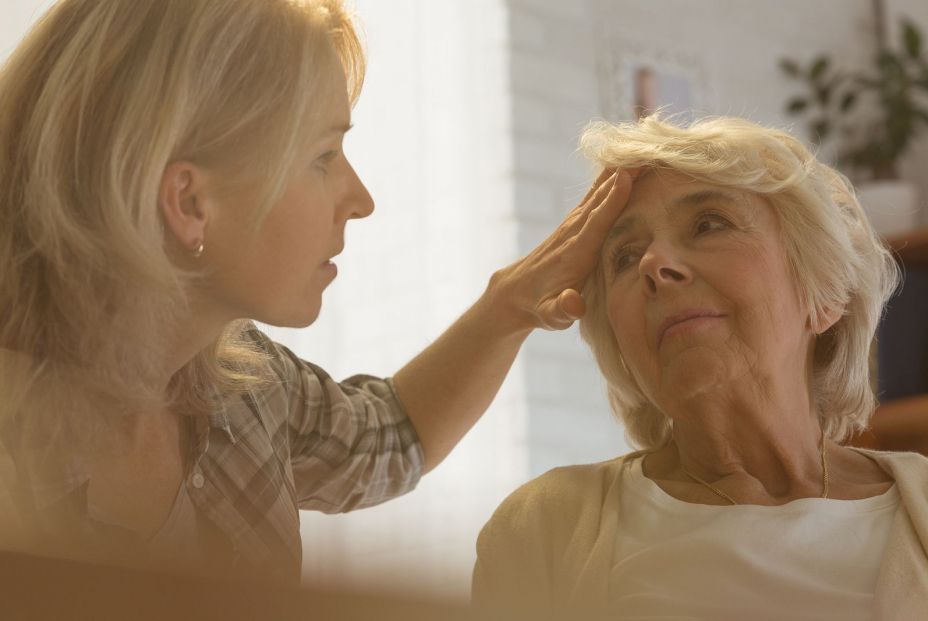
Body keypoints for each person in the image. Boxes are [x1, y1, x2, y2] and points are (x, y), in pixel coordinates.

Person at [0, 0, 634, 584]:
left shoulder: (247, 388)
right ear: (189, 202)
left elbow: (387, 436)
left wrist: (511, 303)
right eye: (323, 155)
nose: (360, 200)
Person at [473, 115, 928, 618]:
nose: (654, 263)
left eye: (710, 223)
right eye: (624, 256)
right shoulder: (544, 527)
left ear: (823, 295)